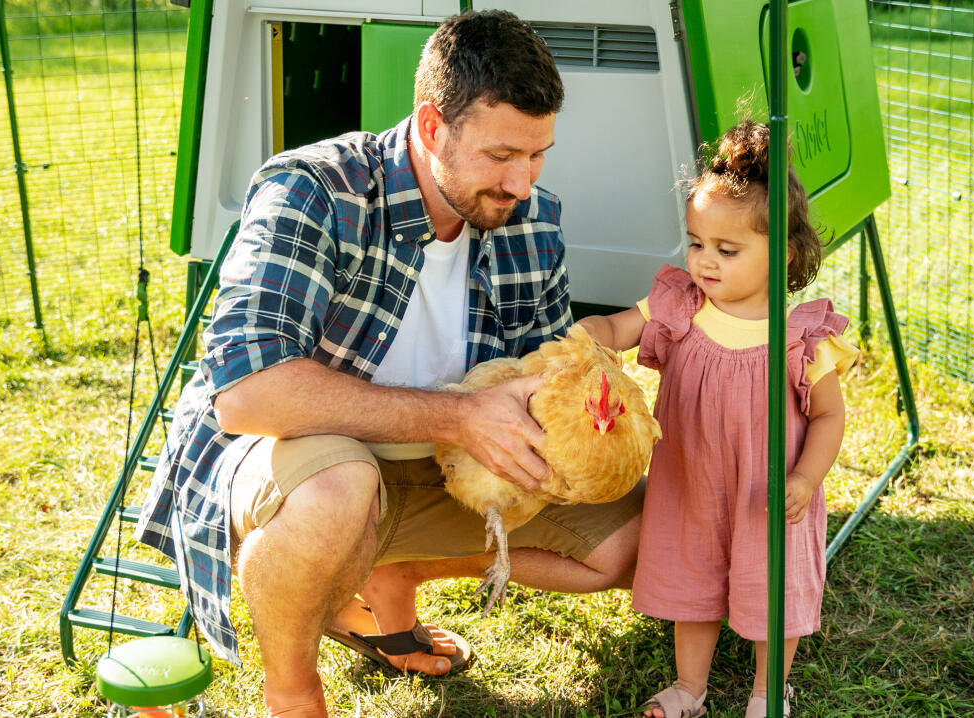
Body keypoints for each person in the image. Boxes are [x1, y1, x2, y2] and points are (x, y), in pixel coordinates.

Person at [134, 10, 643, 717]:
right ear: (432, 127)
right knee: (338, 491)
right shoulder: (312, 190)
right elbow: (247, 395)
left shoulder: (532, 218)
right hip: (310, 461)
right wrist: (461, 415)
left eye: (538, 156)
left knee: (634, 545)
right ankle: (292, 688)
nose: (522, 183)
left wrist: (572, 429)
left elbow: (545, 372)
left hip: (446, 466)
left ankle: (390, 569)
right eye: (501, 157)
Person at [576, 120, 857, 718]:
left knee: (770, 586)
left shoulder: (799, 336)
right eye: (696, 242)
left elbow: (830, 417)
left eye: (727, 251)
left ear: (780, 253)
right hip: (691, 479)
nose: (705, 261)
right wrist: (587, 337)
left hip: (770, 491)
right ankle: (689, 689)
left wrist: (805, 479)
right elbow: (620, 328)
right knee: (691, 581)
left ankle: (766, 695)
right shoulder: (681, 306)